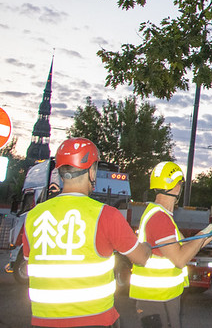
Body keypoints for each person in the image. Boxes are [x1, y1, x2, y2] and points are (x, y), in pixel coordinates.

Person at [22, 137, 152, 328]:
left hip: (42, 321)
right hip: (94, 321)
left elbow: (30, 262)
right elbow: (140, 257)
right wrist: (147, 247)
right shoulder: (106, 214)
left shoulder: (33, 216)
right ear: (91, 171)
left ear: (60, 172)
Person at [129, 161, 212, 328]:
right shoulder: (160, 219)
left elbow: (188, 246)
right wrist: (205, 232)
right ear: (175, 186)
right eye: (180, 183)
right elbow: (180, 259)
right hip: (156, 299)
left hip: (162, 297)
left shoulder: (161, 215)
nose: (180, 187)